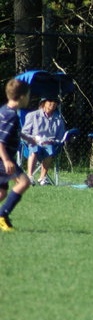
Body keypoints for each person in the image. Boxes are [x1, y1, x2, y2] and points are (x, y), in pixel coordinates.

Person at [0, 79, 34, 231]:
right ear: (22, 97)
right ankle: (2, 216)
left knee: (2, 193)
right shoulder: (10, 115)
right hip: (3, 158)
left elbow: (10, 132)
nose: (29, 98)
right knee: (24, 182)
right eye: (28, 95)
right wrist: (7, 160)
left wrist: (27, 137)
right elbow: (0, 141)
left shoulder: (5, 110)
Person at [20, 97, 66, 185]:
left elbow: (60, 138)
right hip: (33, 142)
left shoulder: (58, 120)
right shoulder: (33, 115)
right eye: (50, 101)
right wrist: (33, 139)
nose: (53, 103)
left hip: (48, 144)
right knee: (34, 148)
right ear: (44, 103)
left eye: (55, 102)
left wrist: (52, 141)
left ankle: (42, 178)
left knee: (50, 149)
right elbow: (24, 133)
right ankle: (29, 176)